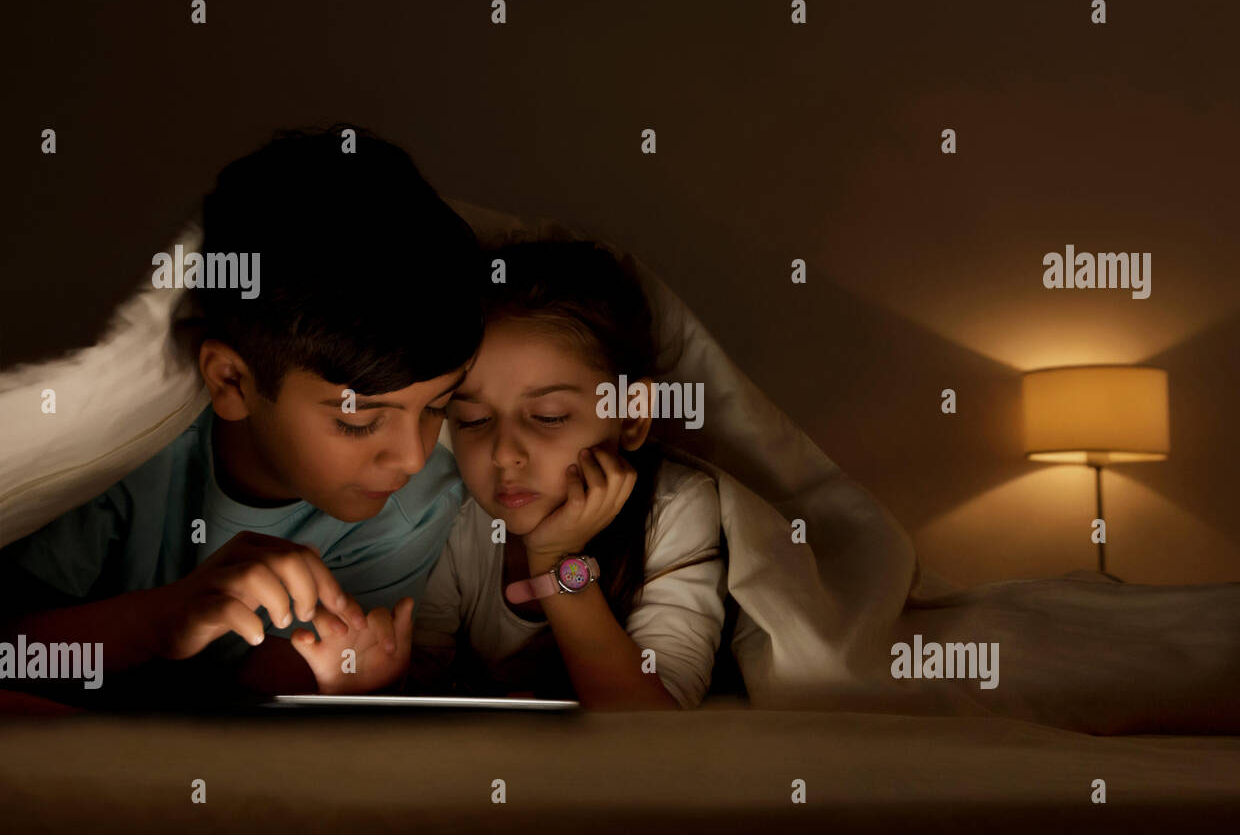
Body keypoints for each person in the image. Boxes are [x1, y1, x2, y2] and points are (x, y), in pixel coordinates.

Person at [0, 126, 484, 703]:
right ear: (232, 380)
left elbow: (254, 714)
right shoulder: (128, 464)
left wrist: (335, 687)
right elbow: (13, 656)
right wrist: (161, 620)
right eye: (358, 421)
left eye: (438, 407)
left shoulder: (413, 508)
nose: (412, 455)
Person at [291, 240, 727, 709]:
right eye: (474, 420)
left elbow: (656, 731)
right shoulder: (452, 509)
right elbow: (423, 678)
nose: (503, 454)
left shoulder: (674, 509)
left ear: (633, 414)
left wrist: (557, 562)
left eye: (549, 416)